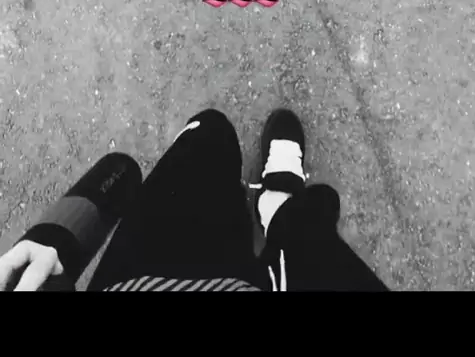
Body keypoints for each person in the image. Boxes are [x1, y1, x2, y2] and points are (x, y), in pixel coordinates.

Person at [0, 108, 388, 291]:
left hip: (135, 279)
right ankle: (276, 203)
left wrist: (50, 252)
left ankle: (274, 207)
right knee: (306, 238)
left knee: (208, 134)